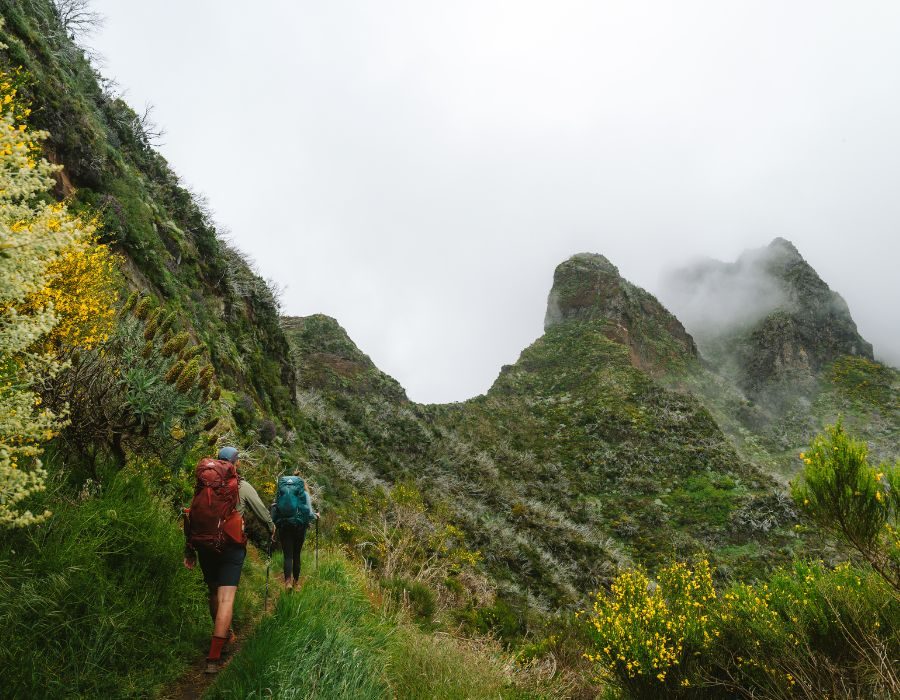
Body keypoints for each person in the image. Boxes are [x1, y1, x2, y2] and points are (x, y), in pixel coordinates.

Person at [183, 446, 275, 674]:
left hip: (205, 546)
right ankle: (213, 658)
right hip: (231, 547)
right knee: (226, 599)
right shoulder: (242, 486)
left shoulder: (204, 485)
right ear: (236, 463)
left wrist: (189, 550)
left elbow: (193, 515)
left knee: (213, 593)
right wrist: (272, 528)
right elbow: (262, 512)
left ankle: (226, 635)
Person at [272, 470, 319, 591]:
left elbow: (275, 507)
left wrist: (273, 524)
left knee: (287, 556)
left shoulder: (282, 490)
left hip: (284, 525)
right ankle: (296, 583)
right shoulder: (304, 493)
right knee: (296, 555)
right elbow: (309, 513)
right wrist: (315, 516)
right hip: (299, 527)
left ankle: (287, 581)